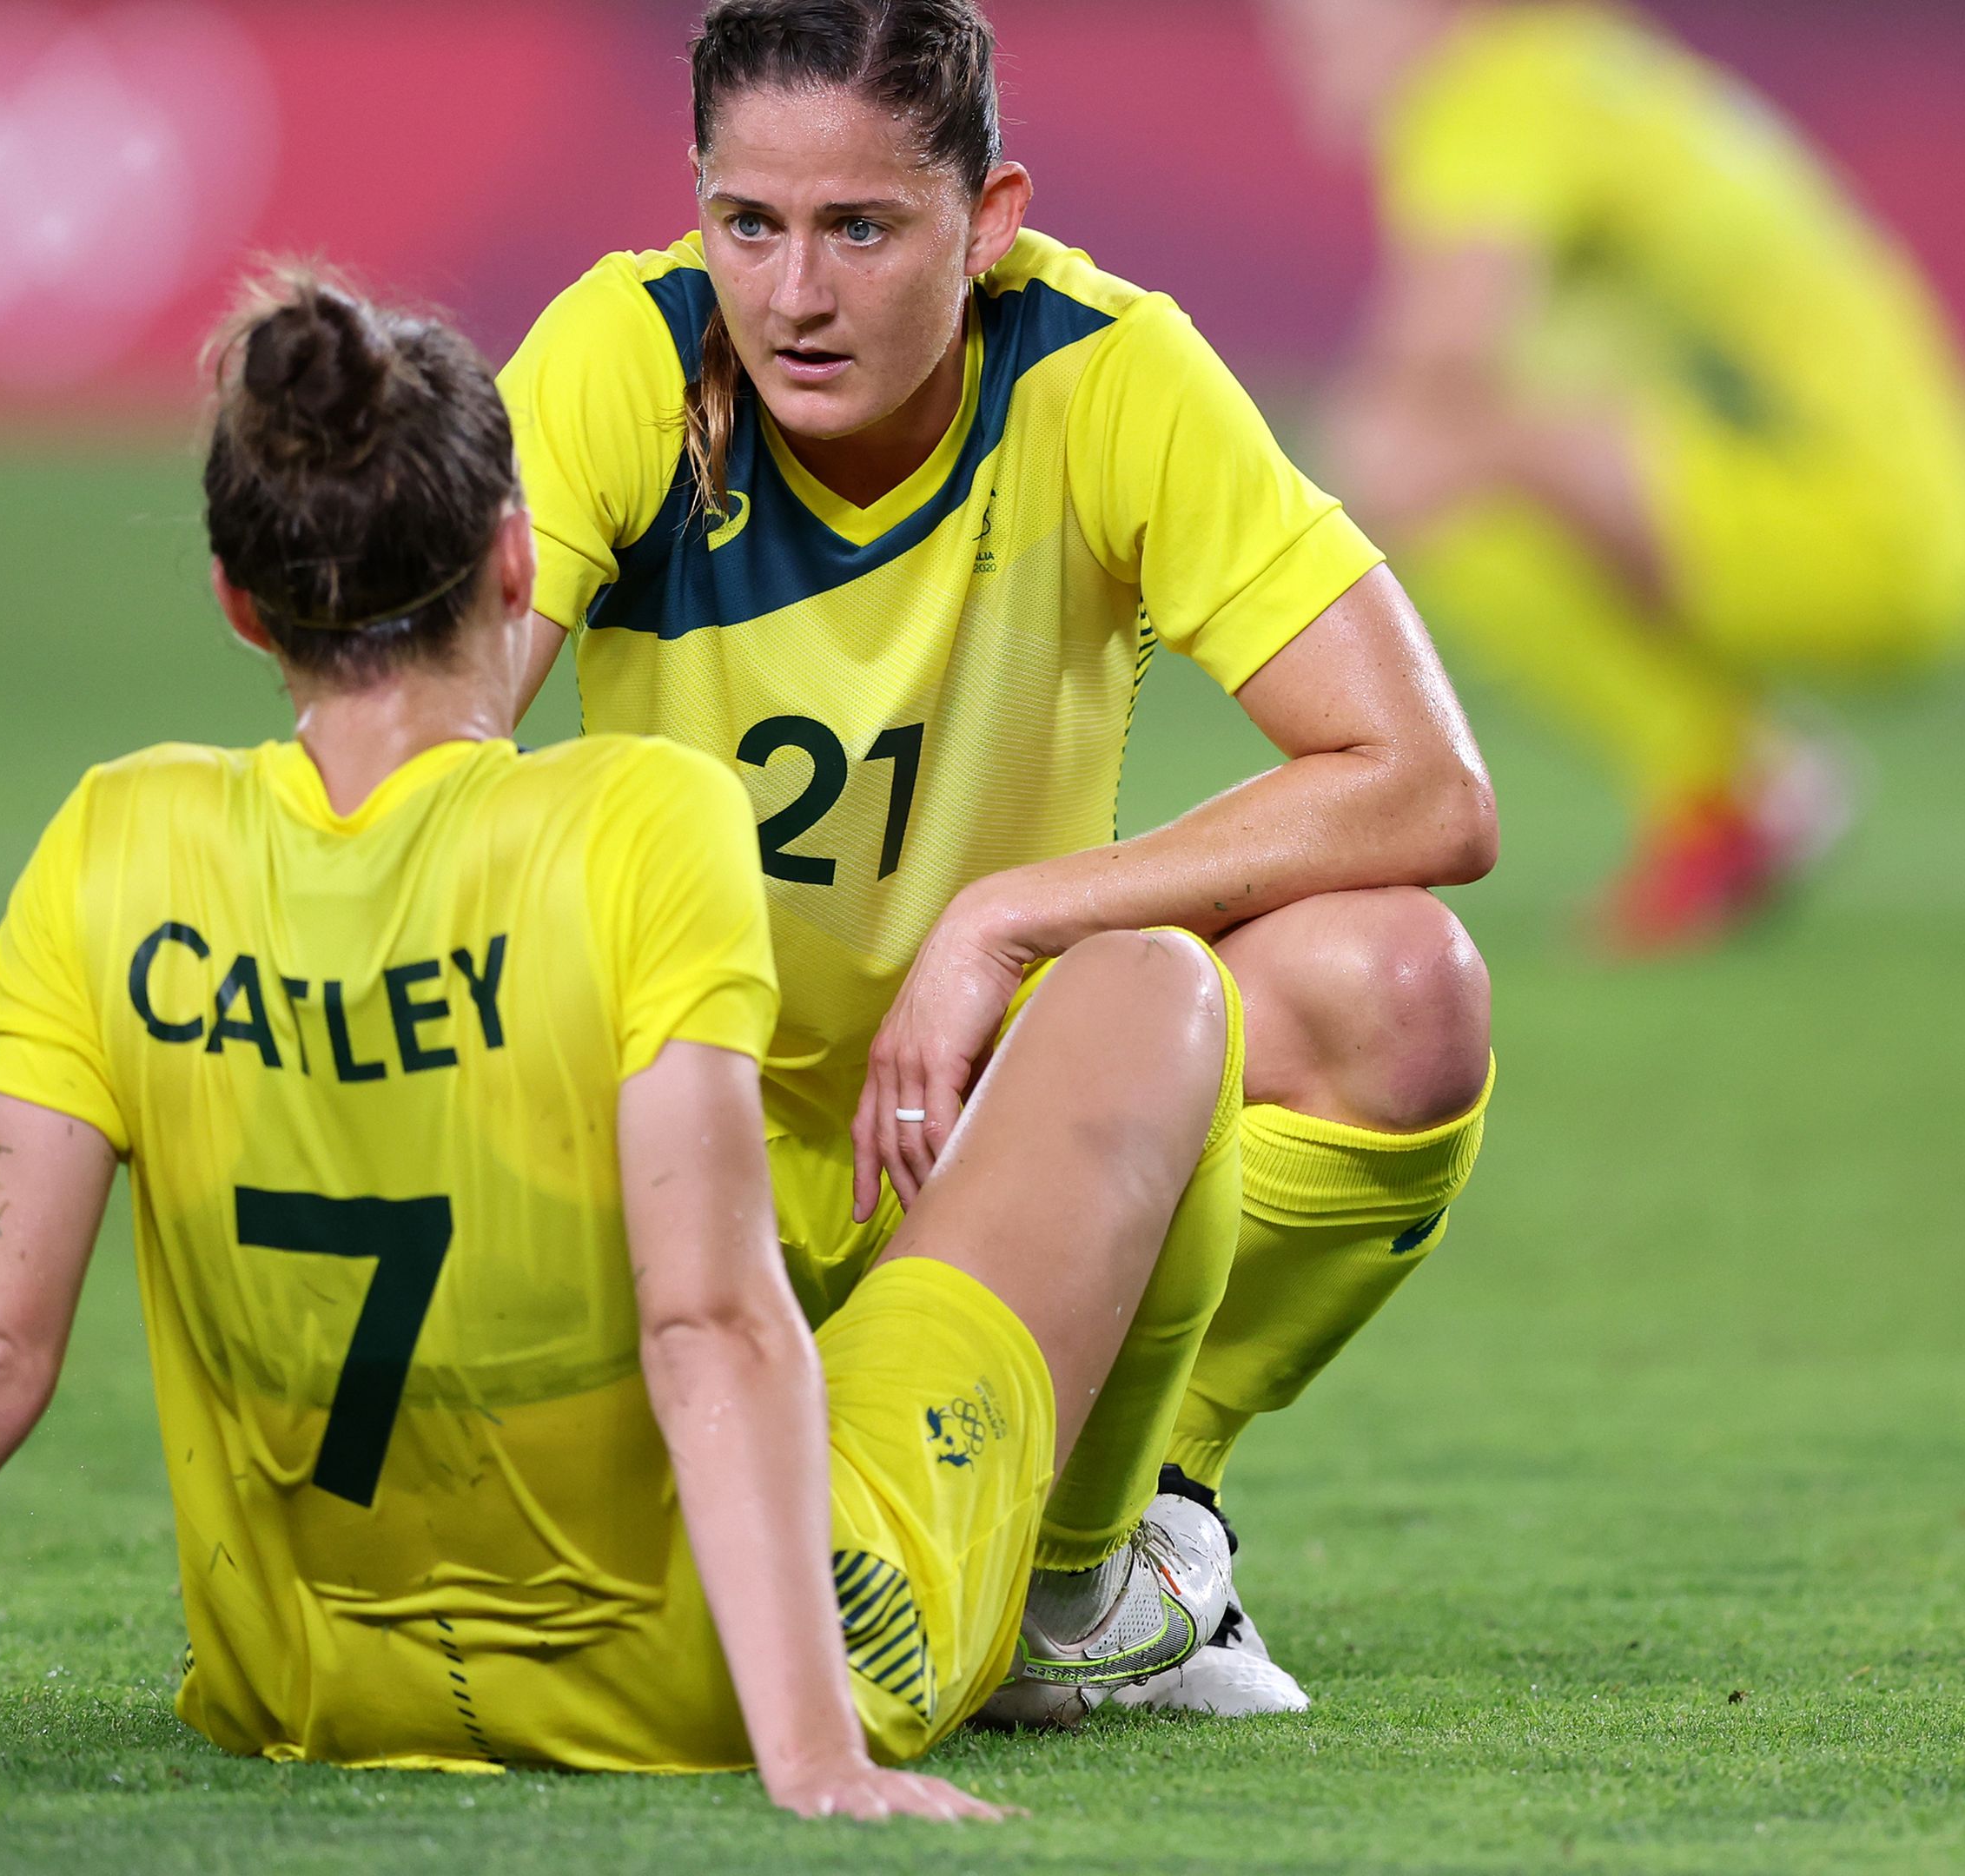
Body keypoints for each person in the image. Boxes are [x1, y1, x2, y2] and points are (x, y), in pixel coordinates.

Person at [0, 276, 1254, 1813]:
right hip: (701, 1670)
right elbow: (706, 1318)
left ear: (238, 602)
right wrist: (808, 1758)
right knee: (1150, 990)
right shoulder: (643, 823)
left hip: (310, 1687)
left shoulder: (113, 845)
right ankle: (1081, 1591)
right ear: (519, 560)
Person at [496, 0, 1500, 1717]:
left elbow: (1426, 784)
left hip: (981, 1157)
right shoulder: (623, 357)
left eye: (863, 228)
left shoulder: (1103, 374)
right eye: (750, 223)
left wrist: (1009, 915)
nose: (796, 295)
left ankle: (1102, 1541)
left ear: (991, 219)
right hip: (675, 1149)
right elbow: (421, 754)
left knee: (1390, 985)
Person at [1264, 0, 1965, 952]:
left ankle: (1732, 780)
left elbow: (1438, 353)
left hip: (1850, 533)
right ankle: (1742, 785)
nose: (1294, 46)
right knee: (1461, 441)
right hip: (1933, 518)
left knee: (1404, 461)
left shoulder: (1488, 93)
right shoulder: (1590, 66)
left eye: (1324, 18)